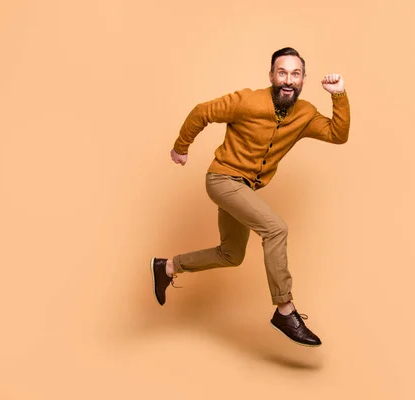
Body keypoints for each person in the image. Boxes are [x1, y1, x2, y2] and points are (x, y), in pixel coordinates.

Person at [150, 47, 350, 347]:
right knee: (276, 229)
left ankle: (167, 267)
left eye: (295, 74)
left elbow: (338, 133)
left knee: (231, 254)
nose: (288, 79)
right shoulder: (246, 101)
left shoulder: (305, 113)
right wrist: (181, 146)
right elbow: (201, 112)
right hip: (222, 179)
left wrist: (339, 94)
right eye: (282, 72)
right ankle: (285, 309)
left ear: (304, 80)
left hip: (245, 188)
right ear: (271, 75)